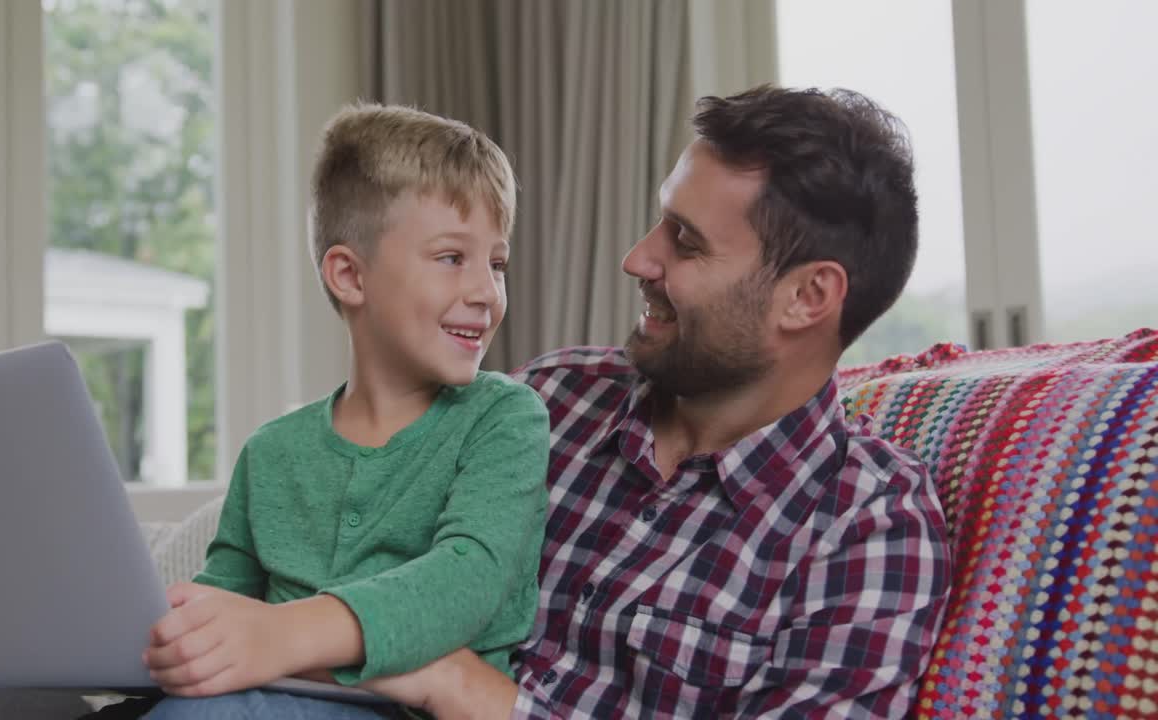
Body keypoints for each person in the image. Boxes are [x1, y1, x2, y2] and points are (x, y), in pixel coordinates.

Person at [360, 85, 954, 719]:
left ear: (808, 296)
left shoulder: (868, 531)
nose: (638, 257)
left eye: (687, 242)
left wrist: (468, 692)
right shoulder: (547, 399)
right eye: (661, 220)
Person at [137, 104, 551, 719]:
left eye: (496, 263)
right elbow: (219, 600)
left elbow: (464, 584)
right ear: (349, 276)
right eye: (451, 258)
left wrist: (279, 636)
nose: (486, 293)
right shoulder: (273, 452)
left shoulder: (504, 418)